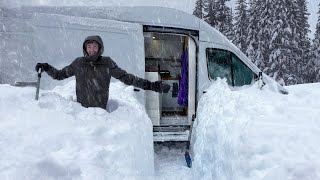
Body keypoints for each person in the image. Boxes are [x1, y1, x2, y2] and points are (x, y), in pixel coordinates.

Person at [35, 35, 170, 109]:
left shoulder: (107, 63)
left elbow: (127, 78)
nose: (92, 49)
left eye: (95, 46)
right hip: (81, 113)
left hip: (101, 115)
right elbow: (59, 75)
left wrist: (152, 85)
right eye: (89, 46)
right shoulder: (78, 63)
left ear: (100, 48)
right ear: (85, 48)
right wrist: (47, 67)